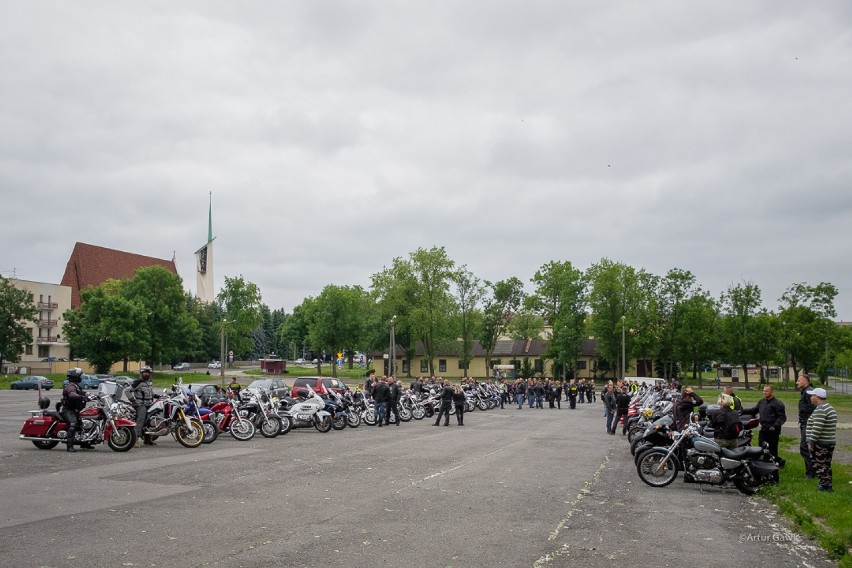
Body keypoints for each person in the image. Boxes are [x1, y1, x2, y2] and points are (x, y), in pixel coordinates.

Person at [743, 385, 786, 463]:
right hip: (764, 429)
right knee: (762, 446)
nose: (764, 392)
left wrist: (775, 426)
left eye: (766, 391)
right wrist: (742, 411)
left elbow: (782, 417)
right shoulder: (761, 401)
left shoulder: (778, 403)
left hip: (773, 430)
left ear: (772, 392)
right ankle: (766, 462)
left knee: (772, 449)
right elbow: (754, 410)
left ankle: (774, 463)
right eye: (763, 391)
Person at [805, 387, 837, 492]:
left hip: (821, 443)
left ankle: (825, 487)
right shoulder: (828, 407)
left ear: (817, 397)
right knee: (826, 464)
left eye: (812, 396)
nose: (810, 398)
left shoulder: (821, 410)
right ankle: (827, 485)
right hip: (828, 442)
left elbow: (817, 428)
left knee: (820, 465)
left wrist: (811, 442)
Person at [61, 368, 87, 453]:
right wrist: (81, 397)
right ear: (75, 377)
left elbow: (83, 392)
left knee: (84, 423)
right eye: (80, 376)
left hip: (75, 410)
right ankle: (70, 446)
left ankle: (85, 443)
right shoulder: (71, 386)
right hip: (68, 410)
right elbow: (72, 395)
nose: (81, 378)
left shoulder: (76, 386)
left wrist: (94, 395)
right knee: (73, 424)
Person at [796, 373, 817, 479]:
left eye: (799, 380)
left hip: (808, 423)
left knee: (805, 447)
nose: (797, 382)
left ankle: (810, 471)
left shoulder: (809, 392)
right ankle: (813, 470)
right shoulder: (805, 391)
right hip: (804, 422)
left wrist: (808, 421)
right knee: (808, 447)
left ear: (805, 381)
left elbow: (812, 408)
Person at [132, 366, 156, 447]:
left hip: (149, 404)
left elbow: (151, 393)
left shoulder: (149, 382)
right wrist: (133, 401)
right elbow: (127, 390)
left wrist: (158, 396)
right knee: (141, 421)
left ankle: (147, 439)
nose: (146, 374)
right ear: (141, 373)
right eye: (144, 372)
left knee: (150, 421)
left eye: (148, 372)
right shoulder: (137, 382)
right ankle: (135, 440)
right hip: (141, 405)